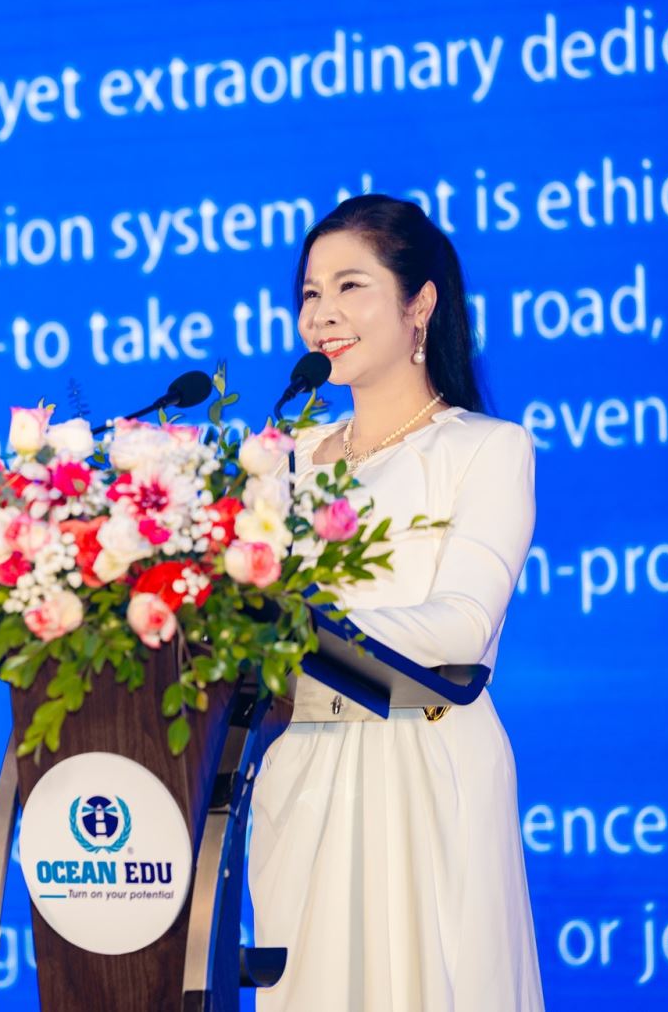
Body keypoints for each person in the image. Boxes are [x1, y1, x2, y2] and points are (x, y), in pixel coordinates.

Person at [246, 194, 546, 1011]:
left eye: (351, 287)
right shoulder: (280, 459)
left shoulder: (485, 448)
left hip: (427, 757)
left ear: (420, 304)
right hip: (301, 767)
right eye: (311, 293)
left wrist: (301, 634)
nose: (322, 315)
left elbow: (464, 625)